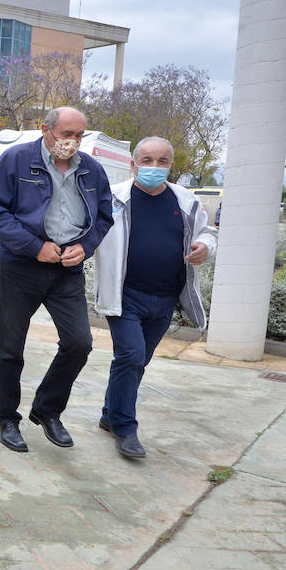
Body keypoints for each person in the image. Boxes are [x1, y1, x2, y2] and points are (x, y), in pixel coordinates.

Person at [0, 106, 113, 453]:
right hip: (21, 267)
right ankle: (6, 419)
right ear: (46, 130)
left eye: (79, 136)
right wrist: (33, 246)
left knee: (79, 343)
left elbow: (103, 218)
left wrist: (84, 247)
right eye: (66, 134)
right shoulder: (16, 160)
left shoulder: (92, 170)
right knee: (10, 349)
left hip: (66, 271)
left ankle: (47, 410)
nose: (72, 142)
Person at [93, 137, 216, 458]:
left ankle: (110, 412)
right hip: (124, 297)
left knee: (136, 362)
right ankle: (125, 428)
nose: (154, 167)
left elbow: (206, 233)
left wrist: (205, 247)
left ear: (171, 165)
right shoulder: (114, 199)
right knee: (131, 358)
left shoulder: (185, 200)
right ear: (133, 164)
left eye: (162, 161)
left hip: (165, 297)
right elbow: (87, 231)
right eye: (146, 160)